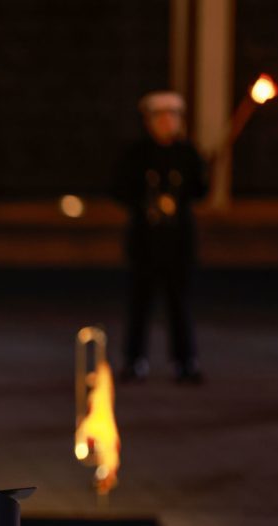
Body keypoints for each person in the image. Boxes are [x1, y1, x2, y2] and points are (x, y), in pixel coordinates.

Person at [111, 90, 208, 383]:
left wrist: (203, 174)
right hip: (145, 242)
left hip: (178, 242)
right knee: (140, 303)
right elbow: (119, 190)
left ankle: (185, 361)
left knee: (179, 304)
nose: (166, 122)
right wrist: (147, 203)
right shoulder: (137, 154)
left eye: (172, 116)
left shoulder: (187, 153)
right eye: (160, 117)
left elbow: (200, 191)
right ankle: (134, 359)